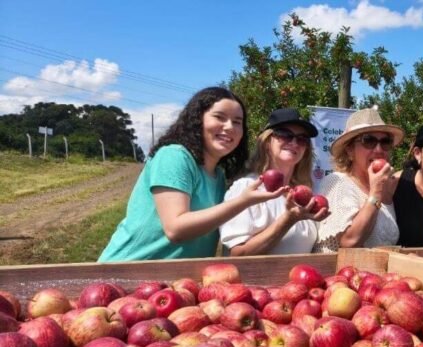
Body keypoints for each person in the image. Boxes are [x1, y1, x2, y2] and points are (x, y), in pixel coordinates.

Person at [99, 87, 277, 261]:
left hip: (177, 278)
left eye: (237, 122)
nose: (230, 126)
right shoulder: (174, 156)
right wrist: (243, 201)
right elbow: (175, 229)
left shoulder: (218, 176)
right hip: (127, 270)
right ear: (197, 119)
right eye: (219, 117)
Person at [220, 108, 328, 256]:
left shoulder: (303, 195)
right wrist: (287, 221)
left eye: (302, 139)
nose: (294, 142)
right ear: (267, 142)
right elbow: (238, 254)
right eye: (285, 135)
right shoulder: (248, 188)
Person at [313, 108, 403, 252]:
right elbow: (350, 241)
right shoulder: (337, 183)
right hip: (338, 267)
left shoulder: (385, 189)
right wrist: (376, 193)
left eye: (386, 142)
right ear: (349, 150)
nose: (379, 149)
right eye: (368, 141)